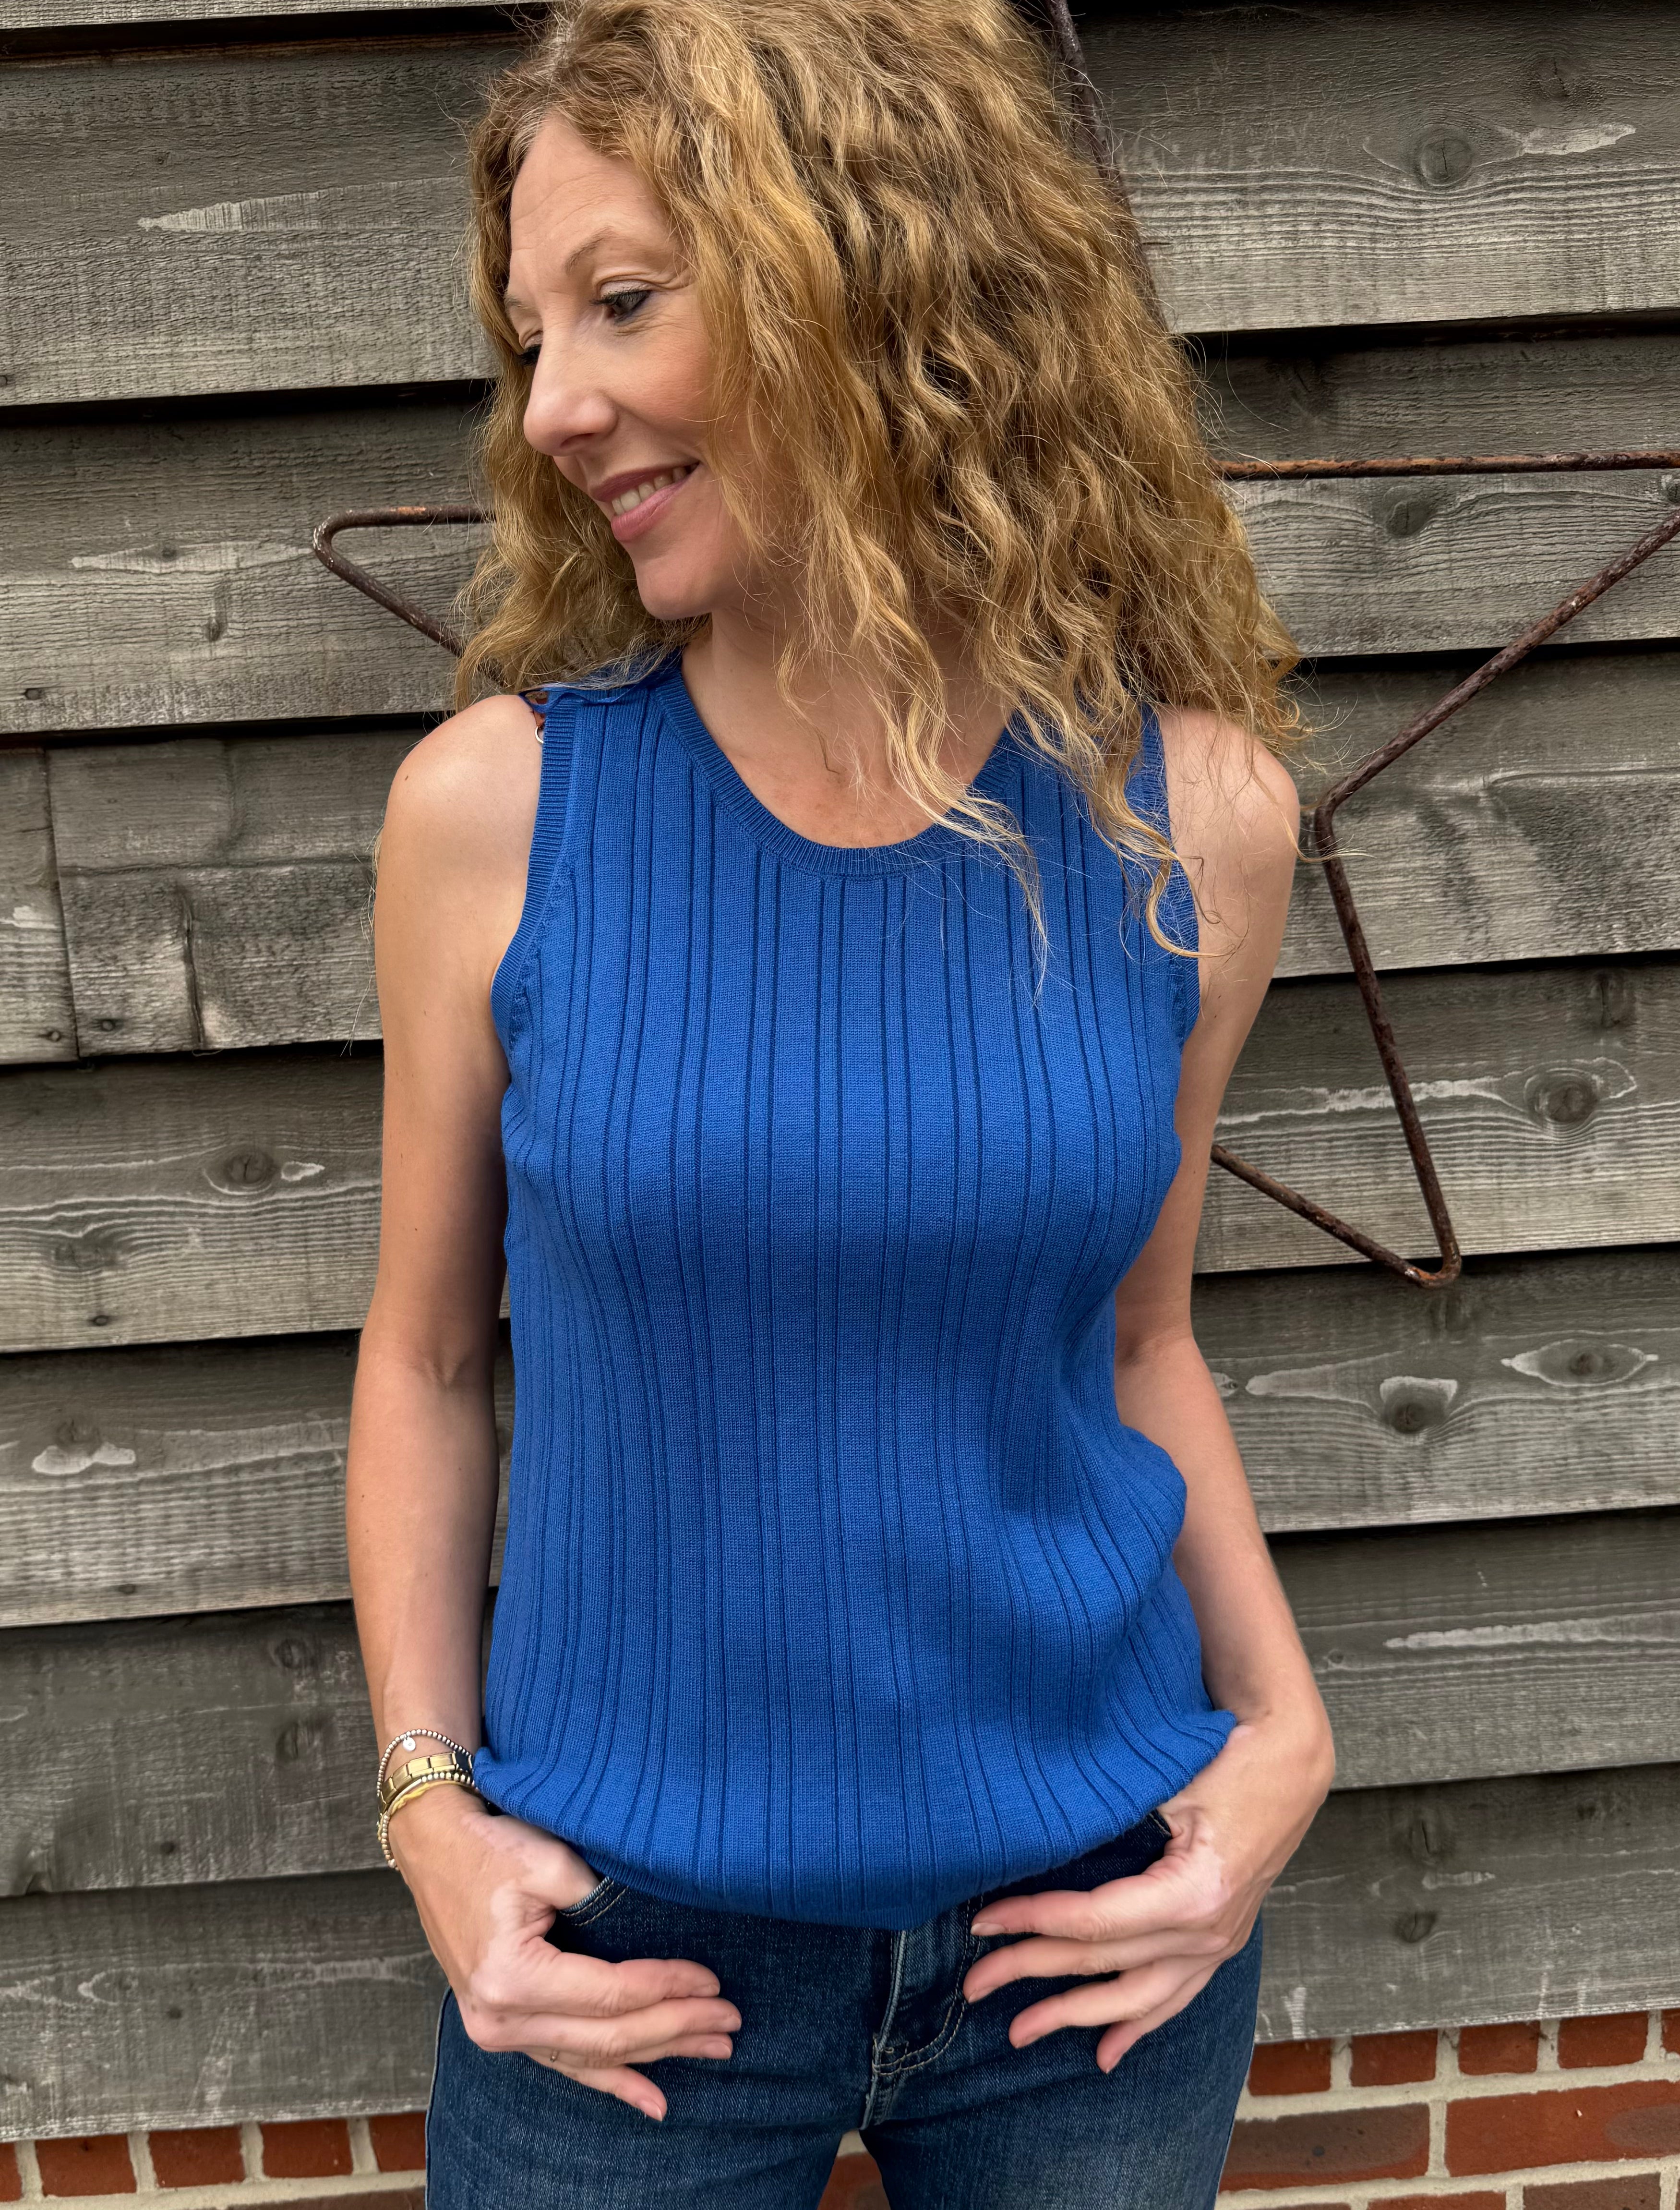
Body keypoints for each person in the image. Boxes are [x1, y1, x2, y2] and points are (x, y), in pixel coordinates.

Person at [345, 0, 1335, 2201]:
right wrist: (432, 1814)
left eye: (621, 305)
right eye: (532, 337)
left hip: (1090, 1952)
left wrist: (1288, 1738)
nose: (558, 402)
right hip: (629, 1972)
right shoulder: (496, 815)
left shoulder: (1193, 817)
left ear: (858, 277)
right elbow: (422, 1356)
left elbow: (1144, 1336)